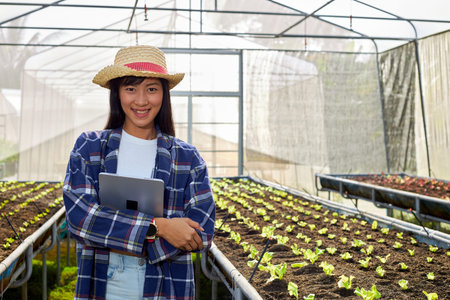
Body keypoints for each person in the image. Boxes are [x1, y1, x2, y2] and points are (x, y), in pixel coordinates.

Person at [63, 45, 216, 300]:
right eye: (130, 88)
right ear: (117, 93)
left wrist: (115, 231)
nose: (142, 100)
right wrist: (160, 227)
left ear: (163, 95)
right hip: (107, 280)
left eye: (152, 89)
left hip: (166, 284)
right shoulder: (90, 148)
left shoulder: (188, 158)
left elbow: (202, 231)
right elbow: (80, 219)